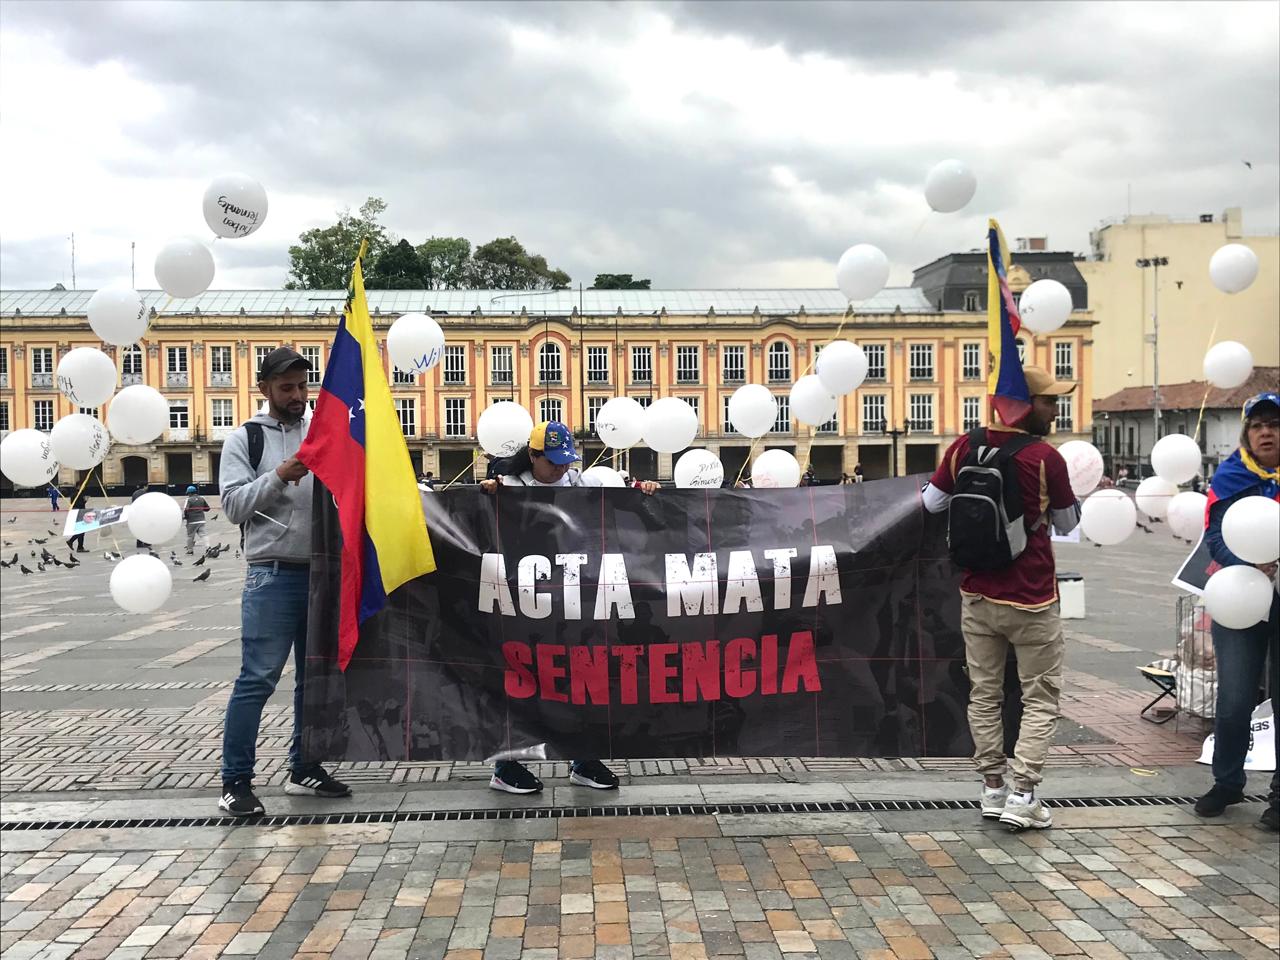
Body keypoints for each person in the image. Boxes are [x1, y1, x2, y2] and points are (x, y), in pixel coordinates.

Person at [921, 367, 1081, 831]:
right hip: (1032, 598)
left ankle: (992, 788)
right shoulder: (1045, 457)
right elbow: (1068, 524)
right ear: (1024, 405)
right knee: (1040, 698)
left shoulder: (963, 447)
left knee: (985, 694)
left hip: (977, 595)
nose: (1056, 410)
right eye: (1049, 401)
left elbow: (931, 503)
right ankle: (1023, 795)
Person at [480, 421, 658, 794]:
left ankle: (584, 758)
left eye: (566, 460)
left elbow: (622, 501)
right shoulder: (508, 487)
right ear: (532, 456)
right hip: (523, 600)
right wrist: (485, 494)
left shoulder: (581, 482)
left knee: (581, 676)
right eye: (553, 461)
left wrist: (644, 491)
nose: (561, 468)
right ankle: (506, 766)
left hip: (574, 599)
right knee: (522, 679)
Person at [216, 346, 351, 817]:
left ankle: (304, 767)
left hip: (322, 574)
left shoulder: (324, 432)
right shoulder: (245, 439)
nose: (297, 395)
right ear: (265, 389)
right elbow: (233, 506)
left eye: (302, 386)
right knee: (257, 679)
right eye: (286, 387)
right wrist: (279, 474)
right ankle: (235, 781)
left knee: (314, 680)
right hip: (271, 575)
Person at [1193, 391, 1279, 832]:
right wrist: (1248, 561)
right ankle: (1227, 783)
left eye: (1275, 424)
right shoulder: (1230, 477)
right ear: (1247, 434)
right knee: (1234, 698)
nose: (1266, 432)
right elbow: (1216, 538)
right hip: (1240, 595)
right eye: (1257, 425)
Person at [182, 484, 210, 555]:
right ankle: (208, 548)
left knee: (190, 536)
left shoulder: (188, 500)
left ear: (189, 493)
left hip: (192, 521)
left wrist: (185, 517)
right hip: (201, 520)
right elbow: (207, 508)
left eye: (188, 493)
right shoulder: (202, 498)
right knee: (203, 535)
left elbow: (186, 510)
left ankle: (190, 550)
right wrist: (200, 509)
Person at [132, 483, 151, 552]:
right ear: (144, 486)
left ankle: (140, 542)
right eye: (147, 486)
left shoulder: (135, 493)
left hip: (136, 513)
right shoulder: (145, 494)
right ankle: (144, 542)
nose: (147, 487)